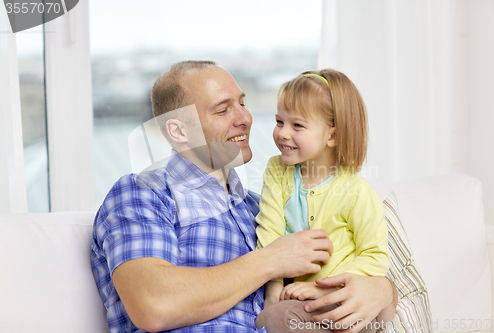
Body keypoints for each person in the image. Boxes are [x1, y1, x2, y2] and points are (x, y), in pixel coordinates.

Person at [91, 61, 397, 333]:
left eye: (242, 103)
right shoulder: (143, 193)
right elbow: (153, 305)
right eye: (223, 110)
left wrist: (383, 291)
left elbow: (336, 271)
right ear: (180, 131)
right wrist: (271, 259)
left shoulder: (262, 207)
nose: (246, 118)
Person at [254, 70, 395, 332]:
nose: (283, 133)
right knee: (272, 318)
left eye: (297, 125)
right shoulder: (277, 171)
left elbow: (374, 256)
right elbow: (269, 234)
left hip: (345, 303)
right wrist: (272, 290)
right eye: (279, 121)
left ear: (333, 136)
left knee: (282, 319)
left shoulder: (356, 191)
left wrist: (322, 288)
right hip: (297, 303)